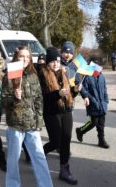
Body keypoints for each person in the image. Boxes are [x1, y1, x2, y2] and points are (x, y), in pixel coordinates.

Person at [2, 46, 53, 187]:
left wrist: (39, 122)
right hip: (15, 125)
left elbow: (38, 100)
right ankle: (12, 184)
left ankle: (46, 184)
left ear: (30, 59)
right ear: (16, 57)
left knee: (39, 157)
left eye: (27, 57)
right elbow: (4, 101)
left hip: (32, 125)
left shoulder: (33, 75)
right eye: (21, 56)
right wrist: (14, 97)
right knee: (13, 160)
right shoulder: (10, 74)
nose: (24, 59)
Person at [38, 47, 77, 185]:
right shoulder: (42, 74)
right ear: (48, 62)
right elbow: (43, 98)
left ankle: (64, 171)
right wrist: (57, 94)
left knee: (66, 139)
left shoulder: (63, 73)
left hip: (65, 110)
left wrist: (75, 91)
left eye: (58, 61)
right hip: (51, 112)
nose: (55, 64)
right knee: (56, 142)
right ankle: (38, 155)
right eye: (53, 61)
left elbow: (68, 93)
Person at [76, 59, 109, 149]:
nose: (98, 69)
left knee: (101, 124)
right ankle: (80, 130)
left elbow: (105, 89)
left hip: (102, 104)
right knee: (93, 122)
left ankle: (101, 140)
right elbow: (85, 90)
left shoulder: (102, 77)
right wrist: (93, 101)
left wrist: (106, 101)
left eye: (99, 67)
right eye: (95, 67)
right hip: (93, 104)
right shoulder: (87, 77)